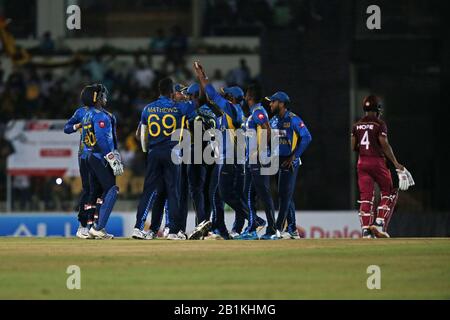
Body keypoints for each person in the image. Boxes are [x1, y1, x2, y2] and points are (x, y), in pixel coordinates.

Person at [136, 77, 198, 240]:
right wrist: (188, 96)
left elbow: (141, 134)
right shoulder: (179, 108)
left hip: (153, 153)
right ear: (172, 92)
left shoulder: (148, 109)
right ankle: (173, 231)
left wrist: (146, 151)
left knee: (151, 192)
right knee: (173, 192)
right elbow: (195, 107)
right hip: (172, 153)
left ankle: (140, 228)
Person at [351, 95, 414, 238]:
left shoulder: (356, 125)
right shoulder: (380, 124)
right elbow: (384, 144)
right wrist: (396, 163)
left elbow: (353, 146)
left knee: (366, 197)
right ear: (378, 109)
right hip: (376, 161)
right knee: (390, 190)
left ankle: (366, 231)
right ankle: (379, 223)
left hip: (362, 163)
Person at [81, 84, 124, 239]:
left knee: (100, 193)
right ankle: (98, 228)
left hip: (91, 156)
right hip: (100, 157)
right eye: (102, 95)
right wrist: (112, 158)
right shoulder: (100, 116)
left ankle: (91, 226)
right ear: (97, 98)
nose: (105, 97)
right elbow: (101, 140)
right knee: (112, 190)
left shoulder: (88, 114)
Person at [267, 91, 312, 239]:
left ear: (281, 103)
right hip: (277, 161)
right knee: (285, 195)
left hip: (289, 162)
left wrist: (294, 156)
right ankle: (292, 229)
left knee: (284, 196)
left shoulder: (293, 119)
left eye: (273, 101)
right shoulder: (273, 120)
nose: (270, 104)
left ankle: (278, 229)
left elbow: (307, 137)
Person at [237, 84, 278, 240]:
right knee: (249, 194)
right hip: (253, 160)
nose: (245, 97)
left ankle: (273, 230)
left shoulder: (259, 112)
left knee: (263, 194)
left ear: (250, 96)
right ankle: (253, 229)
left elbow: (267, 129)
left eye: (247, 94)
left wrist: (259, 150)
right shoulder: (254, 112)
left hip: (259, 160)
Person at [63, 98, 90, 238]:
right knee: (88, 189)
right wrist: (78, 125)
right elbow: (66, 128)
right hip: (85, 154)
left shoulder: (104, 114)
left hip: (101, 156)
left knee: (101, 190)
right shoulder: (81, 112)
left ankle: (95, 225)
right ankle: (83, 225)